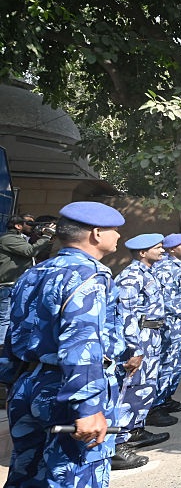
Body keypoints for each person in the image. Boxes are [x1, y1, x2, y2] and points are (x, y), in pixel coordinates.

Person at [2, 201, 124, 487]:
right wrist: (87, 406)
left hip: (27, 384)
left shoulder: (34, 272)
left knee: (27, 475)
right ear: (96, 233)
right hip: (66, 391)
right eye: (115, 229)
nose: (119, 236)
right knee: (75, 475)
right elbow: (83, 342)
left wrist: (12, 383)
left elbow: (13, 332)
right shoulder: (90, 275)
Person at [109, 233, 169, 471]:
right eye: (158, 248)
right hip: (139, 339)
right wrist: (134, 348)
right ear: (143, 253)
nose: (162, 250)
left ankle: (135, 431)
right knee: (131, 390)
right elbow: (126, 314)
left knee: (145, 388)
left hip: (151, 336)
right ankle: (117, 446)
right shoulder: (131, 276)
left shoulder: (148, 273)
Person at [148, 233, 181, 426]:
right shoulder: (165, 267)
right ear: (171, 249)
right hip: (172, 323)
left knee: (177, 364)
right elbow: (165, 299)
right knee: (168, 363)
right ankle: (155, 407)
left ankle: (167, 398)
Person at [0, 215, 54, 344]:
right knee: (5, 318)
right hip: (7, 285)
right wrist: (46, 236)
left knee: (16, 317)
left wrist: (46, 237)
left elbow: (40, 252)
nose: (32, 226)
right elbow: (29, 251)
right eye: (29, 223)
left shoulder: (22, 238)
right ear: (18, 226)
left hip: (17, 285)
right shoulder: (8, 238)